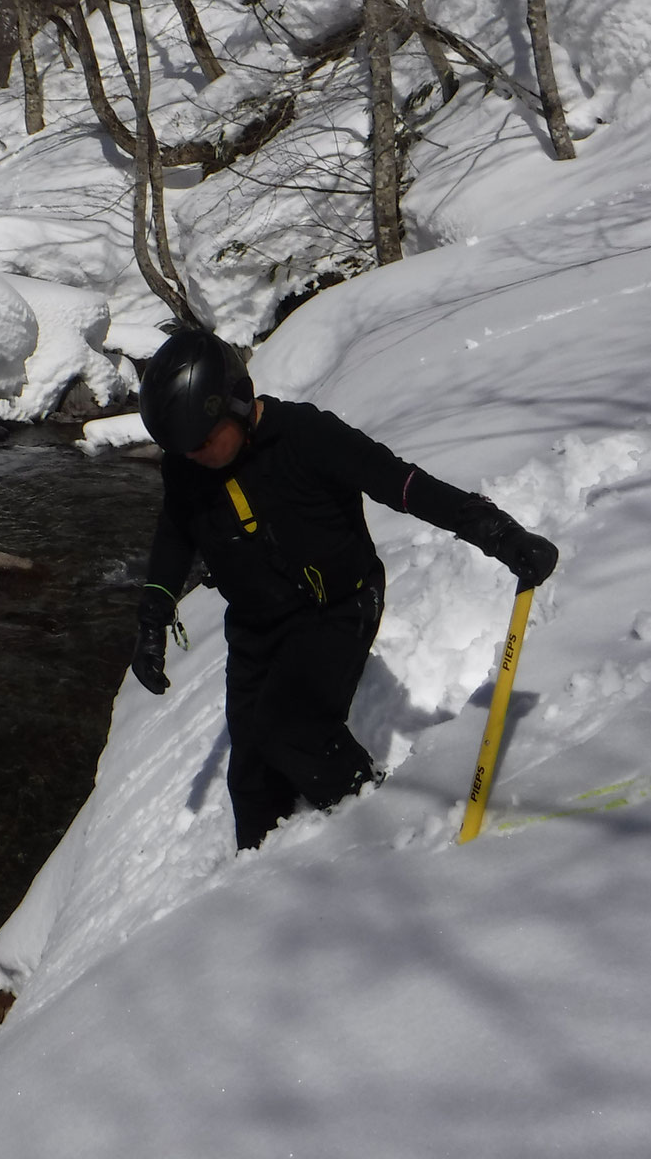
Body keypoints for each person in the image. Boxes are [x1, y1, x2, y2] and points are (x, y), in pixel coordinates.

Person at [131, 328, 559, 850]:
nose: (189, 456)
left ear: (238, 403)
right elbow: (176, 531)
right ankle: (264, 879)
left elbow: (402, 484)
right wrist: (154, 614)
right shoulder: (188, 461)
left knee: (292, 729)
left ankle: (378, 825)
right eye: (178, 449)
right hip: (254, 623)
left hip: (335, 607)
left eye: (198, 443)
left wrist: (497, 532)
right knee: (250, 777)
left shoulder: (305, 436)